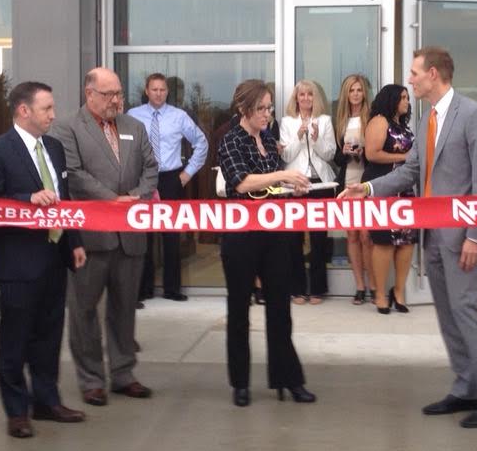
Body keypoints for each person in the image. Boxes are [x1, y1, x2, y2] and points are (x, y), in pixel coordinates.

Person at [343, 47, 477, 428]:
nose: (411, 80)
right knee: (448, 314)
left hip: (462, 237)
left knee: (467, 311)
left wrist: (476, 236)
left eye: (415, 73)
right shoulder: (426, 120)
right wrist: (367, 190)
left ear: (433, 74)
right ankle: (466, 386)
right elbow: (409, 173)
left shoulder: (473, 115)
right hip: (432, 236)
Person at [0, 82, 89, 439]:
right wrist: (27, 198)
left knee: (48, 336)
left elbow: (64, 199)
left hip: (55, 257)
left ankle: (47, 400)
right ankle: (16, 411)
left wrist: (75, 243)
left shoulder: (53, 148)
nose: (53, 116)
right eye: (47, 109)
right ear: (24, 110)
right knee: (15, 339)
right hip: (18, 262)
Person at [53, 67, 157, 407]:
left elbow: (151, 169)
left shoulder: (134, 127)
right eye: (108, 94)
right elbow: (74, 175)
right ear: (89, 94)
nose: (115, 101)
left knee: (125, 308)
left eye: (119, 94)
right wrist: (112, 200)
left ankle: (124, 373)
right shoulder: (67, 128)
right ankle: (91, 379)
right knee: (83, 310)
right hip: (90, 238)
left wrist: (136, 197)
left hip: (130, 237)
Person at [217, 79, 314, 407]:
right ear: (244, 109)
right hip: (241, 238)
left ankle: (289, 379)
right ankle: (240, 383)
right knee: (239, 310)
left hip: (275, 235)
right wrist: (283, 176)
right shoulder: (231, 140)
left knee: (280, 310)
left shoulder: (269, 139)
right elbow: (242, 183)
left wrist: (292, 187)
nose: (267, 114)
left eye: (269, 108)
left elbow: (271, 187)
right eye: (261, 108)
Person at [127, 73, 208, 303]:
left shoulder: (179, 116)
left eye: (162, 90)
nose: (159, 93)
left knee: (171, 236)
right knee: (144, 236)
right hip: (143, 179)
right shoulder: (133, 116)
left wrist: (187, 174)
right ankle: (144, 290)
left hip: (171, 178)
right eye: (154, 89)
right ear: (146, 90)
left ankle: (172, 289)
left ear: (167, 92)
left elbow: (201, 143)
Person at [280, 79, 336, 304]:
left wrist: (316, 138)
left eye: (309, 95)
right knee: (294, 238)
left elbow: (330, 154)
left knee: (318, 239)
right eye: (301, 95)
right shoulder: (287, 122)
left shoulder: (325, 121)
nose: (305, 99)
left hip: (320, 184)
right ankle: (297, 288)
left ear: (316, 98)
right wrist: (298, 136)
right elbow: (285, 156)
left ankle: (318, 289)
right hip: (295, 184)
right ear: (296, 98)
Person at [362, 84, 416, 315]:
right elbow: (372, 153)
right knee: (383, 240)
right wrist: (407, 157)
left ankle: (399, 291)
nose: (407, 101)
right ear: (392, 99)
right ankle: (381, 294)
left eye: (407, 97)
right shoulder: (379, 121)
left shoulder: (403, 125)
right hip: (381, 185)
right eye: (403, 97)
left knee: (407, 240)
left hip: (404, 188)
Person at [334, 74, 372, 304]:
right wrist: (346, 153)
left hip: (366, 182)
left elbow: (375, 154)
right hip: (348, 181)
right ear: (346, 94)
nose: (356, 94)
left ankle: (373, 284)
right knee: (352, 236)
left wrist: (363, 153)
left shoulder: (372, 118)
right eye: (352, 90)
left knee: (367, 235)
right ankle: (359, 286)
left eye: (359, 90)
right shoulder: (341, 120)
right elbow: (336, 157)